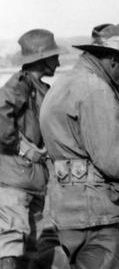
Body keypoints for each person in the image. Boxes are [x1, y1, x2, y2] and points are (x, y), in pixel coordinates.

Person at [40, 24, 119, 269]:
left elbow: (74, 144)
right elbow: (116, 164)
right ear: (114, 59)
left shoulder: (65, 84)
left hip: (62, 208)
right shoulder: (96, 90)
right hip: (93, 216)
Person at [0, 29, 63, 269]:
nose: (58, 61)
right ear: (41, 58)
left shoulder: (40, 88)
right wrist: (21, 148)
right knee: (10, 245)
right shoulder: (20, 84)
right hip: (13, 182)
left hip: (32, 181)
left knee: (29, 246)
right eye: (54, 56)